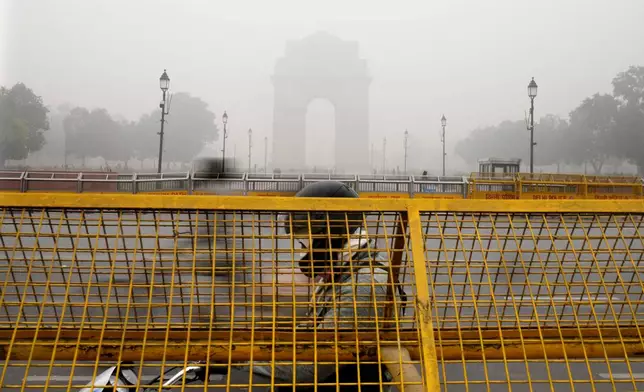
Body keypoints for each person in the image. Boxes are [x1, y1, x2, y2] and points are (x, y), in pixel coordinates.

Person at [245, 181, 404, 391]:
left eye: (304, 243)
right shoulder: (344, 270)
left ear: (329, 232)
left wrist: (239, 362)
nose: (303, 254)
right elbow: (311, 332)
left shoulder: (365, 285)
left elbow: (314, 364)